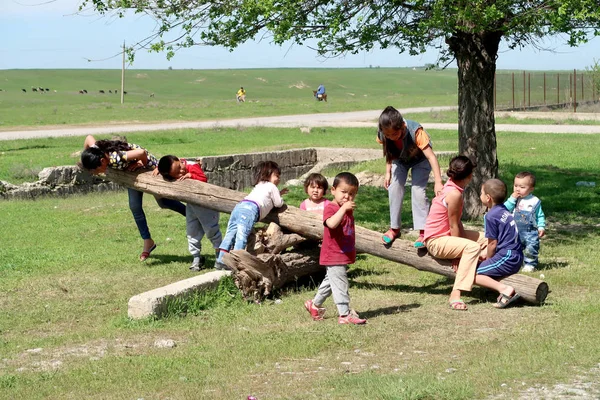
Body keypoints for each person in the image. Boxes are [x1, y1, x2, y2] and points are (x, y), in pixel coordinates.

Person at [80, 135, 186, 261]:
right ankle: (148, 241)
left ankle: (192, 215)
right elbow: (88, 138)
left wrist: (142, 163)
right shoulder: (96, 150)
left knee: (164, 202)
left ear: (103, 161)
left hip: (150, 169)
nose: (95, 173)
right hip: (132, 173)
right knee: (135, 206)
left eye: (95, 170)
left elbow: (141, 152)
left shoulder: (116, 158)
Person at [423, 155, 487, 311]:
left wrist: (462, 242)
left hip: (447, 236)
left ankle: (486, 274)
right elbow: (453, 225)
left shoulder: (453, 186)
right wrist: (458, 254)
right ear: (469, 176)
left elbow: (456, 221)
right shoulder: (454, 194)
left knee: (486, 238)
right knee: (472, 248)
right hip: (436, 241)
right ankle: (455, 294)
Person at [304, 172, 367, 325]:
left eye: (351, 194)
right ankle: (344, 314)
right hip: (333, 253)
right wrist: (343, 209)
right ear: (333, 190)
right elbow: (331, 224)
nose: (347, 197)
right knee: (340, 283)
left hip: (342, 253)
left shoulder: (345, 208)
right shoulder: (331, 208)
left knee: (331, 281)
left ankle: (314, 304)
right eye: (343, 192)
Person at [377, 106, 444, 248]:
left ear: (402, 126)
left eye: (395, 134)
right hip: (400, 160)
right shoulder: (384, 133)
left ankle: (424, 232)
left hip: (421, 160)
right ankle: (394, 228)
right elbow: (388, 152)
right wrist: (388, 171)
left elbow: (431, 157)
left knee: (418, 191)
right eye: (388, 136)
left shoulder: (416, 132)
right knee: (394, 187)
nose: (391, 137)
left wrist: (438, 181)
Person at [216, 161, 288, 269]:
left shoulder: (260, 185)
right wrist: (280, 198)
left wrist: (278, 193)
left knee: (230, 234)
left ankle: (220, 260)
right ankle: (235, 261)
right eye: (276, 176)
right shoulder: (272, 187)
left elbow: (265, 197)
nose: (279, 179)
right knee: (241, 236)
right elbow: (278, 203)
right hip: (250, 210)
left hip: (239, 207)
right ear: (267, 175)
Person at [156, 155, 223, 271]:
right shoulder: (172, 169)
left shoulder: (192, 166)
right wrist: (158, 170)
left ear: (179, 160)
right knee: (191, 232)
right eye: (177, 173)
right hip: (191, 205)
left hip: (205, 204)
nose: (181, 171)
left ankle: (220, 257)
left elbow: (204, 179)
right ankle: (196, 258)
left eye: (179, 167)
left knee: (212, 230)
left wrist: (191, 176)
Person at [477, 179, 523, 308]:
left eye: (481, 193)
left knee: (473, 275)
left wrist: (488, 259)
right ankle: (499, 289)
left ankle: (505, 289)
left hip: (507, 257)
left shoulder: (491, 216)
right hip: (517, 255)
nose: (479, 196)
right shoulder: (503, 209)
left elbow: (492, 244)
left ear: (488, 198)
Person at [504, 171, 546, 272]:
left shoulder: (534, 201)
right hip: (515, 230)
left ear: (531, 189)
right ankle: (516, 262)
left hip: (530, 232)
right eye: (515, 186)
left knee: (531, 248)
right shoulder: (514, 199)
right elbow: (505, 209)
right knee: (514, 247)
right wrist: (512, 199)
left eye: (522, 187)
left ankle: (530, 264)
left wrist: (541, 226)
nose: (518, 189)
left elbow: (540, 215)